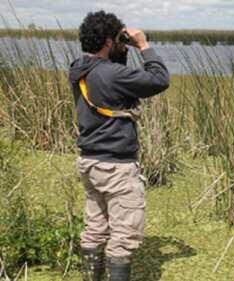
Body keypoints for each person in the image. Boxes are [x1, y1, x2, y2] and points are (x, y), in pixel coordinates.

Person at [68, 10, 169, 281]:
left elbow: (114, 75)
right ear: (109, 42)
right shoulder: (111, 75)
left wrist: (120, 47)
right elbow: (159, 80)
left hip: (90, 163)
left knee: (95, 229)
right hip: (116, 168)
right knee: (123, 238)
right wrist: (143, 46)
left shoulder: (79, 68)